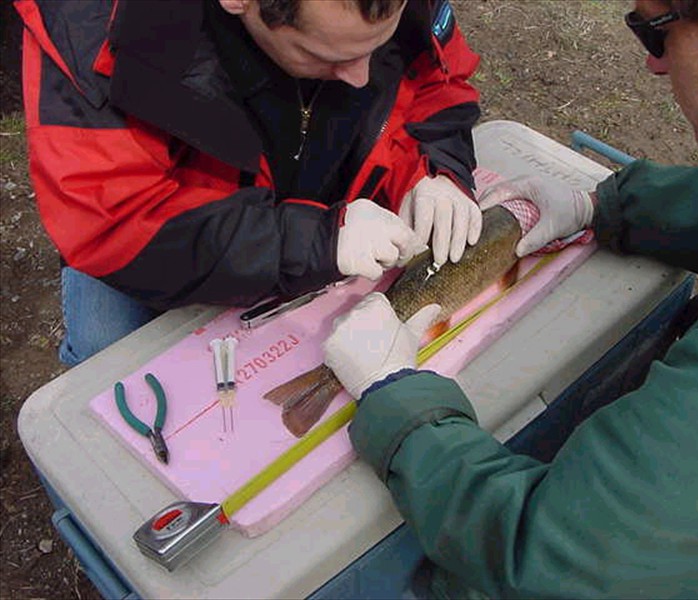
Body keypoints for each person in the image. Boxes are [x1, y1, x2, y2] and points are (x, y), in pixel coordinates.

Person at [322, 0, 698, 596]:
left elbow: (551, 566)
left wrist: (396, 398)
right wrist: (606, 205)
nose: (653, 67)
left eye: (654, 32)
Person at [14, 0, 482, 366]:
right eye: (325, 55)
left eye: (380, 45)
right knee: (104, 363)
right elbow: (117, 220)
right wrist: (314, 243)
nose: (361, 78)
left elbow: (437, 81)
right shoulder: (98, 33)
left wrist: (436, 168)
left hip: (331, 218)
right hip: (164, 238)